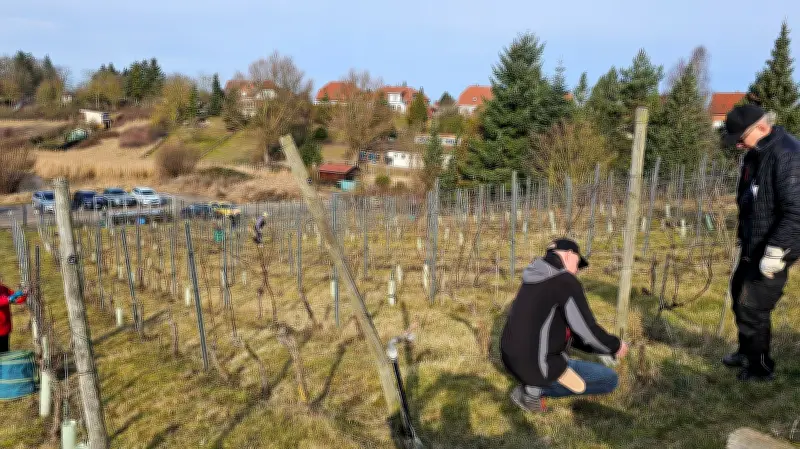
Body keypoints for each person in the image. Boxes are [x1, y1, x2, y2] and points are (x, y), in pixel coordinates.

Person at [500, 238, 629, 413]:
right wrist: (615, 346)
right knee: (609, 379)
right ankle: (533, 391)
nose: (577, 270)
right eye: (578, 263)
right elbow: (587, 332)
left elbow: (567, 332)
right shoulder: (564, 281)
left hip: (510, 360)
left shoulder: (532, 278)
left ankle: (534, 383)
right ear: (568, 255)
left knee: (565, 362)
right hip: (537, 366)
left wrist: (600, 349)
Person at [721, 104, 800, 382]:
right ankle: (747, 352)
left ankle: (760, 368)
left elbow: (796, 211)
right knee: (739, 295)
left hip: (775, 248)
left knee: (753, 306)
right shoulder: (756, 154)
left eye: (742, 138)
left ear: (762, 128)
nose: (738, 145)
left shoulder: (788, 155)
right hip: (754, 244)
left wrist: (777, 251)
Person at [0, 283, 28, 353]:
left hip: (5, 328)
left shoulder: (3, 288)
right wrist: (12, 297)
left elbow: (17, 300)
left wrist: (24, 294)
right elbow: (4, 301)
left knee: (5, 353)